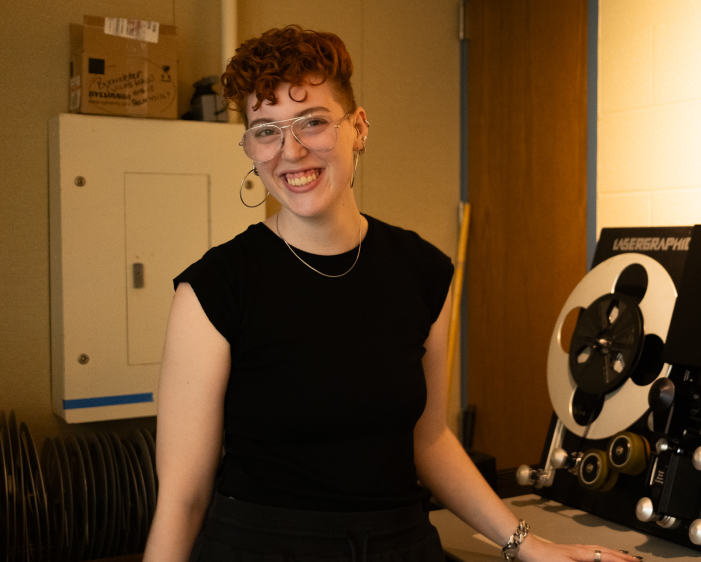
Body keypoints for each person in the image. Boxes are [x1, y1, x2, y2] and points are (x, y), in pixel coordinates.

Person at [143, 25, 641, 562]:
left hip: (399, 544)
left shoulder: (423, 272)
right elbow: (182, 499)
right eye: (266, 130)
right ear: (249, 147)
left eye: (312, 122)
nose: (289, 151)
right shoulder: (214, 289)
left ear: (358, 128)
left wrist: (526, 545)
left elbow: (427, 442)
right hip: (263, 546)